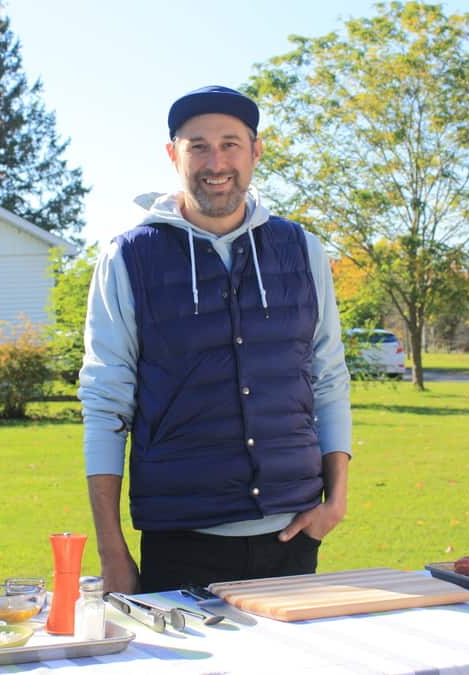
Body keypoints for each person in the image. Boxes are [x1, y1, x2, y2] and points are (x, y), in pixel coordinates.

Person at [78, 85, 352, 594]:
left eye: (230, 143)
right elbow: (105, 405)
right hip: (181, 541)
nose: (216, 161)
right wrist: (111, 551)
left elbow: (328, 377)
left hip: (293, 537)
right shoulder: (127, 259)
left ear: (256, 150)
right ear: (172, 155)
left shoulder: (303, 250)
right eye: (197, 146)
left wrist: (335, 501)